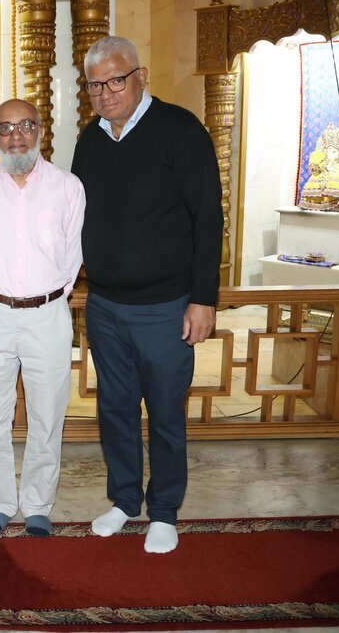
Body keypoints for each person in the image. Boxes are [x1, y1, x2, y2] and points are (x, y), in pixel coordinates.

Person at [71, 35, 223, 554]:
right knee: (114, 409)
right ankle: (123, 500)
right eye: (95, 85)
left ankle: (164, 511)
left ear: (141, 76)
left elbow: (209, 218)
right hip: (105, 305)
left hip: (166, 307)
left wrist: (204, 299)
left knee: (164, 413)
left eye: (116, 80)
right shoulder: (90, 141)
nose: (106, 93)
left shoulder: (180, 130)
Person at [0, 98, 85, 538]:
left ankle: (37, 504)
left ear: (40, 131)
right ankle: (1, 501)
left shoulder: (68, 187)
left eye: (26, 126)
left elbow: (72, 258)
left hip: (48, 314)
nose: (16, 136)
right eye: (6, 128)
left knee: (47, 414)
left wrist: (44, 295)